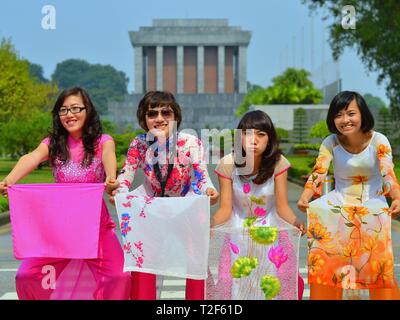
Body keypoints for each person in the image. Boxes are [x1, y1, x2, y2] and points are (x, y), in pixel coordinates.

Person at [0, 87, 131, 300]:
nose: (69, 115)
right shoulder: (52, 143)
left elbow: (109, 155)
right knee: (26, 276)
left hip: (96, 230)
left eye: (75, 108)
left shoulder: (102, 141)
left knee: (120, 276)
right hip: (59, 232)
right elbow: (30, 158)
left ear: (87, 110)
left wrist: (110, 176)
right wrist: (9, 180)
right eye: (63, 110)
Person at [111, 90, 219, 300]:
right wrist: (119, 191)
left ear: (175, 117)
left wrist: (209, 191)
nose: (159, 119)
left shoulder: (190, 142)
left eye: (165, 113)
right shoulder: (139, 143)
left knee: (196, 263)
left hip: (185, 206)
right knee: (142, 262)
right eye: (152, 114)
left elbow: (202, 176)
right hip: (151, 208)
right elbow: (126, 175)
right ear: (144, 118)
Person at [297, 91, 400, 300]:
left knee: (377, 263)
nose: (345, 120)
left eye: (351, 113)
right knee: (326, 254)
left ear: (362, 114)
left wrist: (397, 197)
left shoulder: (379, 140)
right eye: (338, 115)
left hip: (372, 203)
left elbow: (388, 174)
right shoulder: (330, 142)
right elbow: (319, 172)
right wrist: (306, 196)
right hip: (339, 202)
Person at [210, 110, 305, 300]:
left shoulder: (278, 164)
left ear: (269, 139)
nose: (254, 140)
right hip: (237, 234)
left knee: (270, 284)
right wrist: (208, 226)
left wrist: (297, 222)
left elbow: (282, 207)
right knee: (236, 284)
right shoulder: (228, 164)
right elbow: (225, 209)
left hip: (271, 233)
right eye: (248, 134)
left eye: (261, 134)